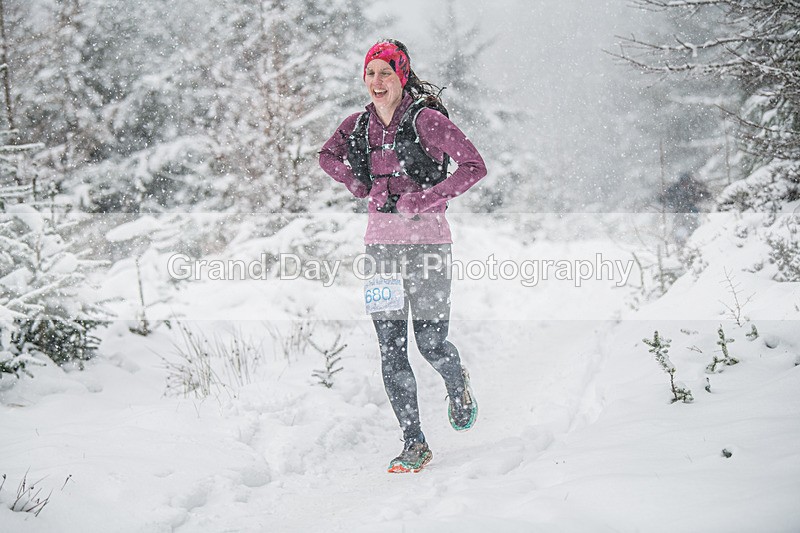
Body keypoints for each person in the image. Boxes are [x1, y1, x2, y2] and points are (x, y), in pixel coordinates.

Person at [319, 39, 487, 473]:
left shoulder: (427, 120)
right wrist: (356, 185)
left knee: (430, 343)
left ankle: (457, 382)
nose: (377, 81)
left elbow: (473, 166)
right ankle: (414, 442)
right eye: (370, 72)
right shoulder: (357, 126)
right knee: (390, 350)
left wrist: (428, 199)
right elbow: (327, 156)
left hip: (429, 247)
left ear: (402, 75)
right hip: (380, 250)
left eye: (386, 72)